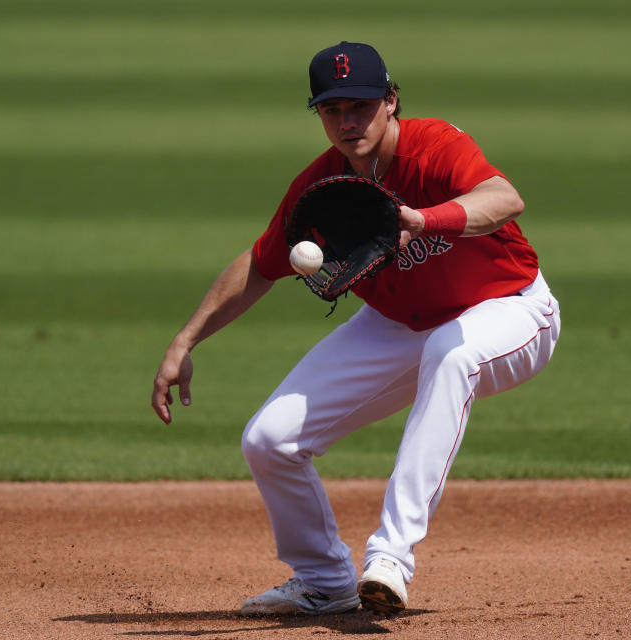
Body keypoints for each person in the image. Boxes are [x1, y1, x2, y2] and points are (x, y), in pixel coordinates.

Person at [151, 41, 561, 616]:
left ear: (391, 101)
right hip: (396, 324)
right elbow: (261, 264)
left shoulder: (435, 147)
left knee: (449, 353)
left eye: (360, 107)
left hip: (511, 309)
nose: (347, 123)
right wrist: (184, 339)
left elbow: (504, 197)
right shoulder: (321, 187)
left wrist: (425, 219)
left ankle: (391, 556)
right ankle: (323, 579)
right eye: (331, 110)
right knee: (269, 440)